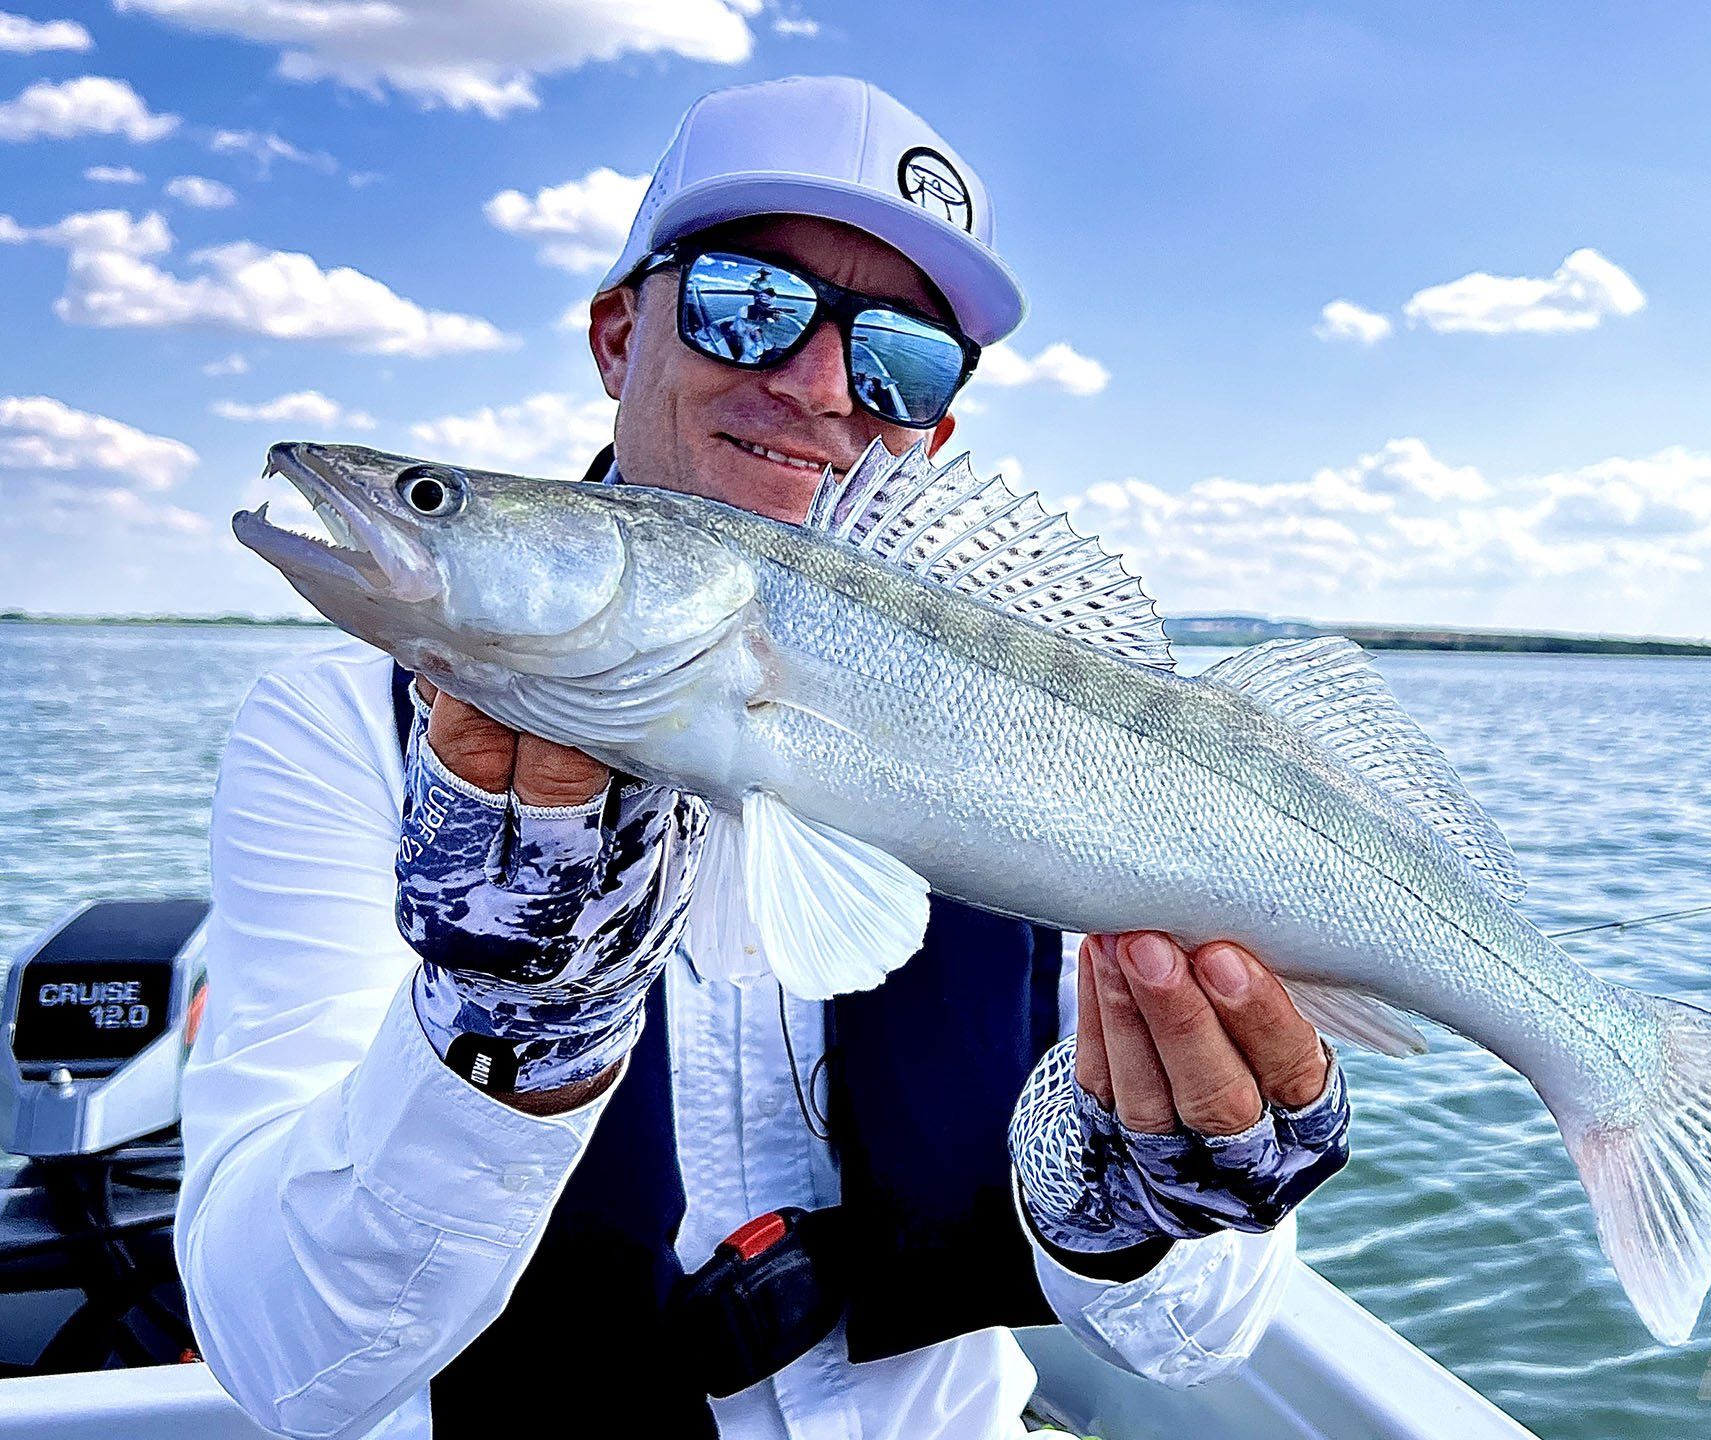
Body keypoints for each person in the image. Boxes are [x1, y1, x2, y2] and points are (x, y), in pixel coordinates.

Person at [176, 76, 1352, 1440]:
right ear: (620, 334)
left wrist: (1146, 1202)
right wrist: (508, 1038)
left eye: (903, 358)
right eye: (750, 301)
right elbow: (286, 1370)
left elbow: (1194, 1340)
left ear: (935, 435)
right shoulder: (336, 726)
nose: (816, 387)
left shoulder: (1064, 750)